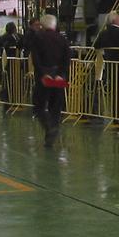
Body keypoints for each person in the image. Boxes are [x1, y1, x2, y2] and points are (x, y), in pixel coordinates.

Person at [30, 13, 71, 148]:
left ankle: (48, 128)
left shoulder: (38, 38)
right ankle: (52, 131)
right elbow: (67, 59)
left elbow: (35, 59)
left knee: (39, 105)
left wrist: (43, 73)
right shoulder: (62, 39)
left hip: (44, 76)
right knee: (56, 106)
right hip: (58, 77)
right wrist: (60, 74)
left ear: (42, 25)